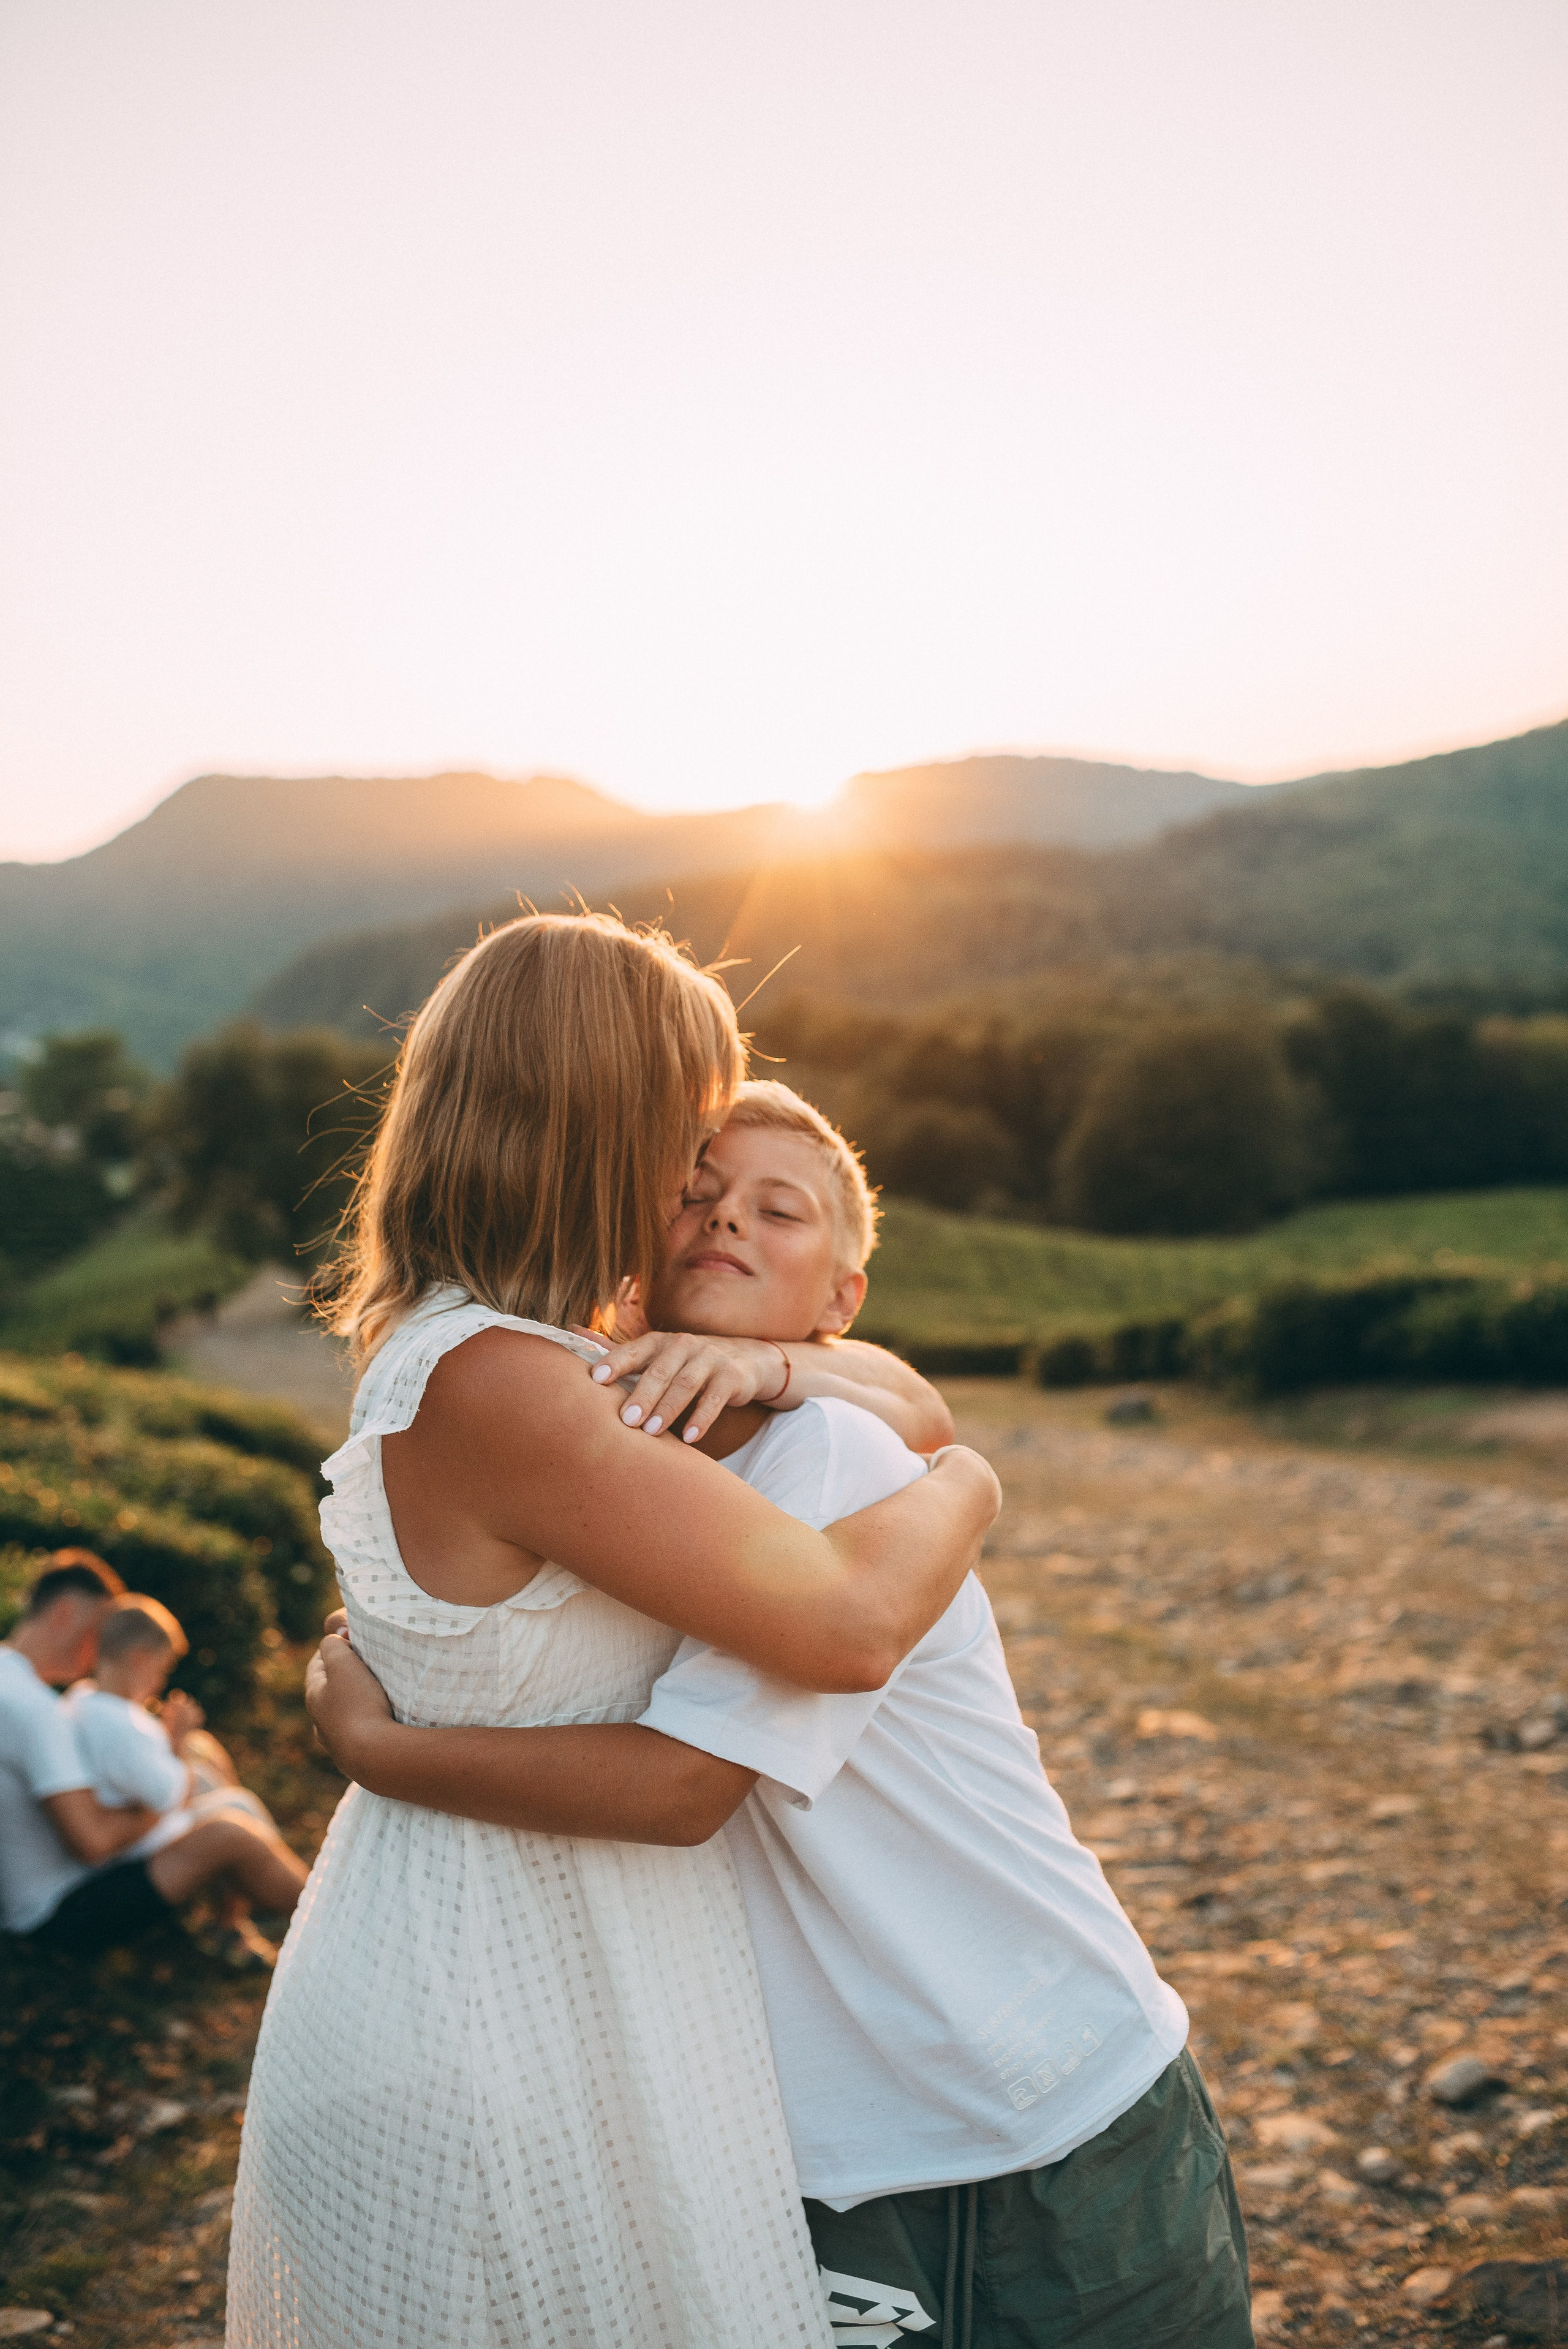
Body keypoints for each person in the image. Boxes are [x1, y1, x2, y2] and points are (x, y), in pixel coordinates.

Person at [309, 1081, 1254, 2348]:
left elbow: (681, 1787)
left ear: (837, 1301)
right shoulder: (612, 1466)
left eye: (778, 1209)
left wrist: (381, 1751)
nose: (727, 1221)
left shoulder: (830, 1457)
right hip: (808, 2145)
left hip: (1013, 2111)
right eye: (695, 1192)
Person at [226, 912, 1000, 2349]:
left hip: (554, 1981)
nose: (702, 1188)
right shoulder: (508, 1384)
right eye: (690, 1138)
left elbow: (881, 1379)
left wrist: (785, 1360)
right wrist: (971, 1479)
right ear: (605, 1126)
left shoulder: (535, 1354)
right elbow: (839, 1624)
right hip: (490, 2019)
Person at [1, 1552, 309, 1963]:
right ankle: (331, 1918)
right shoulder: (33, 1710)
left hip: (62, 1889)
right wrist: (160, 1807)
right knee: (230, 1832)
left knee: (201, 1761)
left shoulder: (15, 1682)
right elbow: (92, 1844)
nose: (102, 1651)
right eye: (98, 1631)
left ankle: (236, 1910)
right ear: (63, 1614)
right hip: (61, 1911)